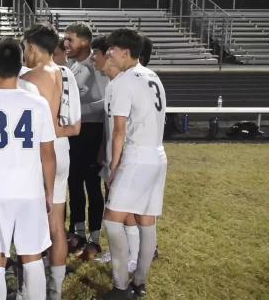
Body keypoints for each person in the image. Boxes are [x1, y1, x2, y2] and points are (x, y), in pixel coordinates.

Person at [0, 38, 56, 300]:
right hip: (30, 189)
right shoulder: (38, 103)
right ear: (20, 64)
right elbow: (48, 154)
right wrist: (50, 192)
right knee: (32, 255)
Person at [101, 29, 167, 300]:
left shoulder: (123, 81)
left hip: (136, 157)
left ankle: (120, 286)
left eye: (112, 50)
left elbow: (119, 130)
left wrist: (113, 168)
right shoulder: (153, 76)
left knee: (112, 220)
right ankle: (140, 283)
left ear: (124, 52)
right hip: (157, 156)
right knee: (145, 220)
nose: (108, 54)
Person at [21, 23, 81, 299]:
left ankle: (27, 291)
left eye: (24, 47)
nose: (24, 53)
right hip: (62, 151)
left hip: (38, 155)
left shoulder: (27, 78)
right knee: (57, 224)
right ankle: (55, 291)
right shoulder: (67, 74)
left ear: (33, 47)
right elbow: (75, 126)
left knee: (30, 224)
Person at [64, 22, 108, 252]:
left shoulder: (96, 65)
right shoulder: (73, 66)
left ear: (85, 41)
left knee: (92, 185)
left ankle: (95, 238)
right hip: (75, 134)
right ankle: (77, 232)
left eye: (70, 39)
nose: (66, 43)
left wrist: (76, 111)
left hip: (92, 133)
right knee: (73, 183)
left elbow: (106, 102)